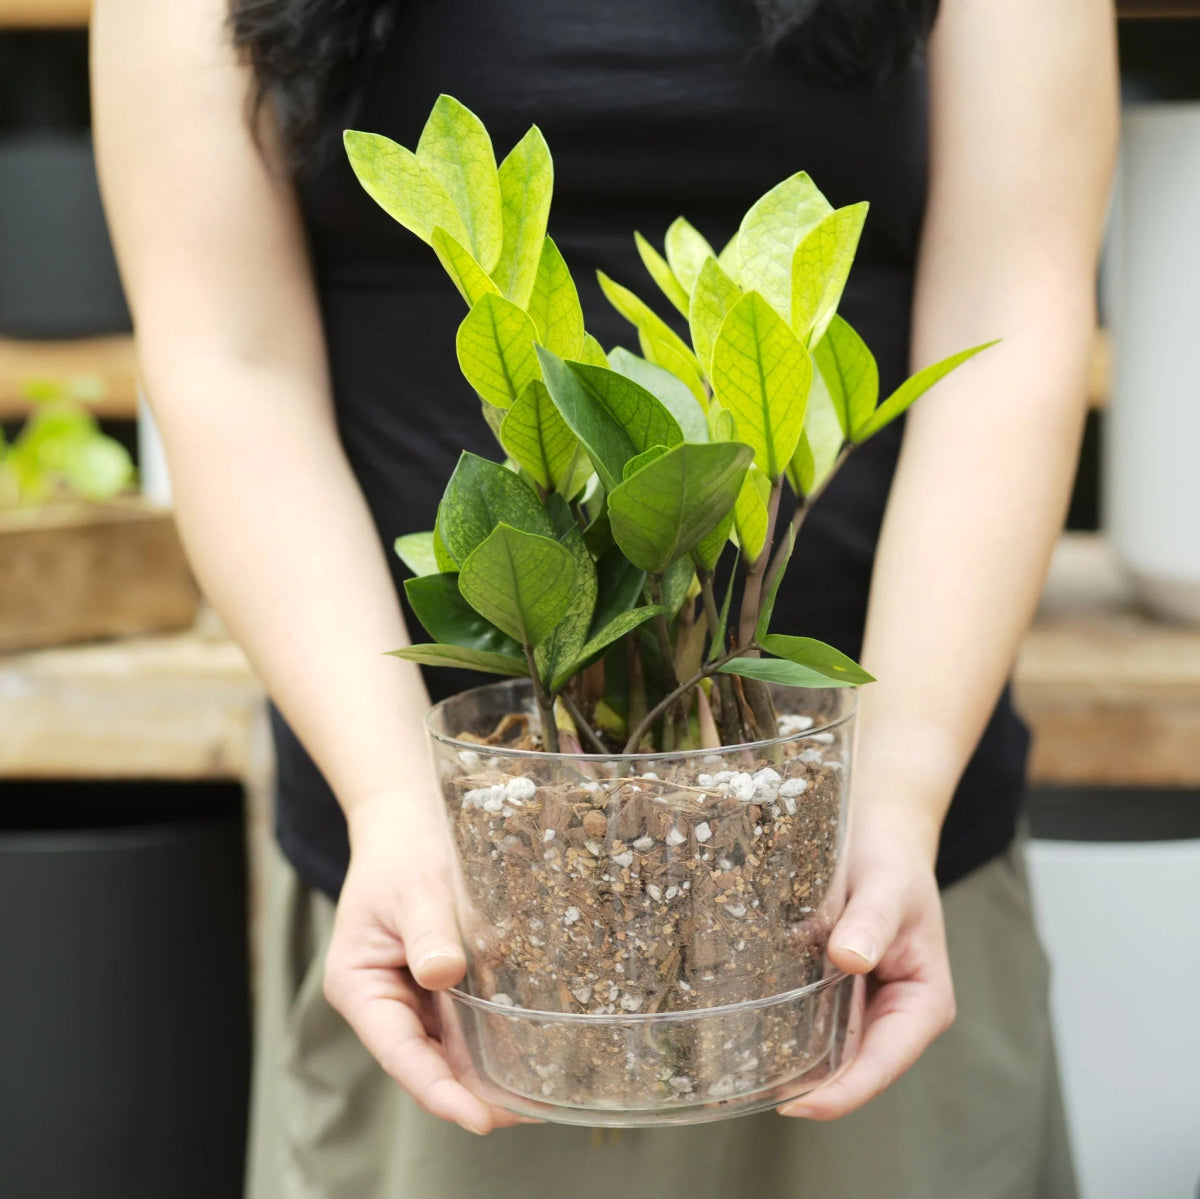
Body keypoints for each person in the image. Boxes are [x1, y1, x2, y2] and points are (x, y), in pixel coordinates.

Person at [92, 0, 1117, 1195]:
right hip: (443, 888)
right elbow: (228, 362)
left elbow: (1011, 321)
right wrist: (395, 807)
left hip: (871, 868)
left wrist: (896, 794)